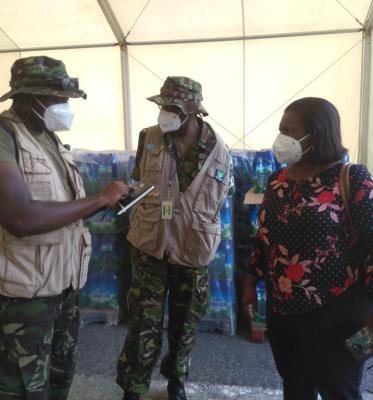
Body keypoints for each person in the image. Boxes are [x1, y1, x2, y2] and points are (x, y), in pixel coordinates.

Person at [242, 97, 373, 400]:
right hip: (283, 309)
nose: (282, 138)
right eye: (281, 129)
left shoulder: (351, 179)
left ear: (316, 135)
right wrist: (250, 282)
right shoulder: (278, 181)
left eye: (291, 130)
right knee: (295, 387)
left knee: (338, 390)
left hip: (335, 311)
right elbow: (263, 237)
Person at [0, 56, 131, 400]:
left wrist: (104, 202)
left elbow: (60, 208)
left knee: (59, 379)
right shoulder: (4, 136)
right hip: (24, 296)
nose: (66, 106)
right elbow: (20, 219)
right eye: (60, 98)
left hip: (63, 286)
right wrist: (99, 199)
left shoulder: (49, 138)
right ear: (32, 96)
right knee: (24, 390)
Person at [117, 76, 231, 400]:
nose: (164, 112)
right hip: (149, 245)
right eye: (163, 105)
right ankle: (133, 387)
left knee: (185, 325)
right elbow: (139, 180)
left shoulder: (219, 151)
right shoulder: (149, 138)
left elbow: (218, 202)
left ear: (194, 112)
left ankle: (176, 380)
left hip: (192, 251)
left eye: (173, 107)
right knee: (143, 323)